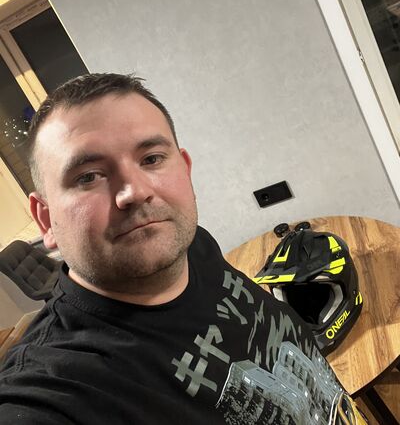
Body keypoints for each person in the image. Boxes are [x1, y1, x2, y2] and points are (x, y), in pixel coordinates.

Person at [0, 73, 367, 425]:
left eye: (151, 158)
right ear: (46, 219)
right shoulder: (55, 391)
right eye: (88, 176)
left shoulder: (192, 245)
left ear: (186, 170)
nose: (135, 191)